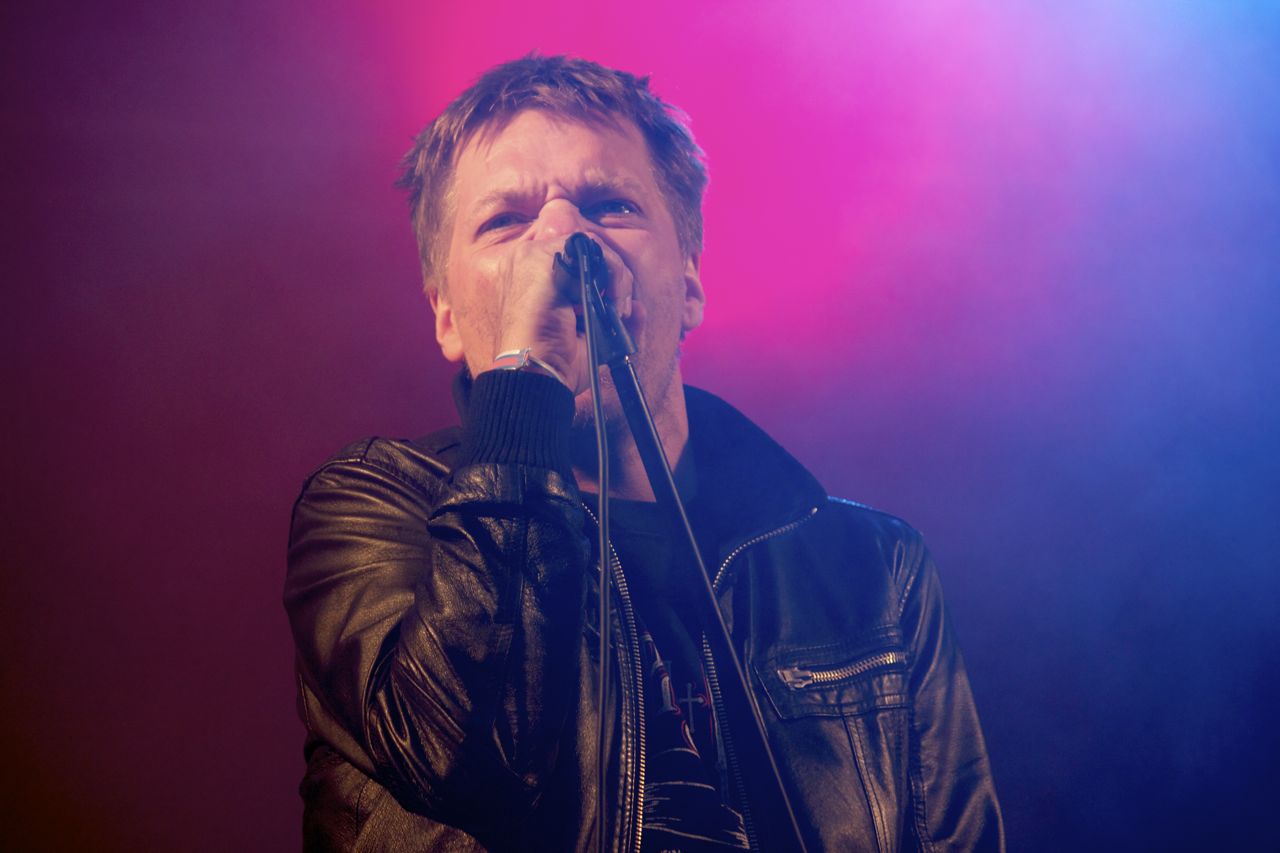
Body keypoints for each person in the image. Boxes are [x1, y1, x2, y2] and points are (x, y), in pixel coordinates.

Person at [285, 54, 1004, 852]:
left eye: (609, 206)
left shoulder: (872, 567)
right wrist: (528, 375)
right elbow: (460, 762)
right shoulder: (373, 513)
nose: (563, 241)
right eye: (507, 221)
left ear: (689, 281)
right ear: (446, 314)